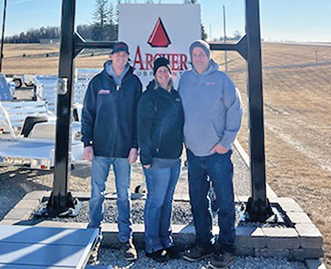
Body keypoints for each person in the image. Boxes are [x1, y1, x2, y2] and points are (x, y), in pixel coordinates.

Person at [179, 40, 243, 269]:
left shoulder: (222, 80)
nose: (197, 58)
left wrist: (225, 142)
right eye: (194, 54)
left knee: (225, 201)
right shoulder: (185, 79)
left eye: (201, 54)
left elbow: (236, 109)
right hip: (194, 154)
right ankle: (204, 243)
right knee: (198, 201)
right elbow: (181, 110)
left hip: (217, 153)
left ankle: (226, 248)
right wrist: (184, 139)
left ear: (208, 56)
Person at [81, 41, 142, 261]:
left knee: (124, 196)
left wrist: (135, 145)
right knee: (97, 194)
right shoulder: (98, 83)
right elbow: (88, 114)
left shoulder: (134, 83)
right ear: (110, 57)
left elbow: (138, 118)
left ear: (127, 58)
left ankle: (126, 240)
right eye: (117, 54)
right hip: (100, 149)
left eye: (124, 55)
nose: (120, 58)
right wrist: (87, 142)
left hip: (125, 152)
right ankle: (93, 239)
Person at [137, 56, 184, 262]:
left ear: (170, 73)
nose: (163, 74)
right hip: (156, 159)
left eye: (166, 71)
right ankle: (152, 244)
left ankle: (166, 240)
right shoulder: (149, 97)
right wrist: (145, 156)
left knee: (167, 201)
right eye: (159, 72)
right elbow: (143, 128)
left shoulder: (176, 96)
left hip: (174, 158)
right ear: (154, 74)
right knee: (155, 201)